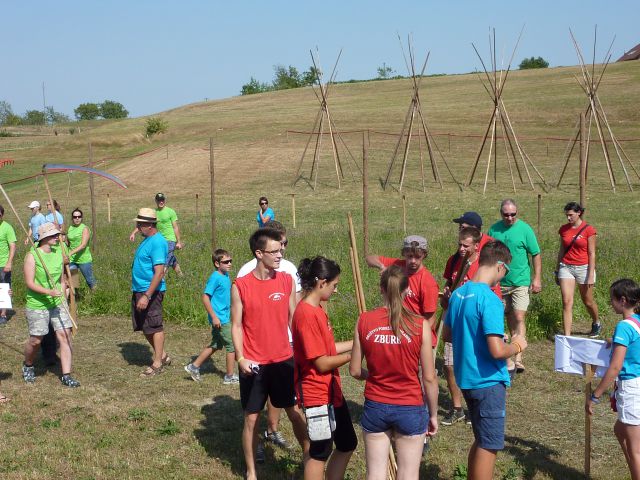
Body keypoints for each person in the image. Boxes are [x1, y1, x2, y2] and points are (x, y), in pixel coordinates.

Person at [443, 240, 527, 480]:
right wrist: (518, 344)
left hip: (466, 378)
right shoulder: (489, 299)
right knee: (489, 445)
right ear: (500, 266)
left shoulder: (459, 294)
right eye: (507, 270)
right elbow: (497, 350)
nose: (505, 275)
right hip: (487, 381)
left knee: (481, 439)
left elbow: (447, 335)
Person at [231, 228, 308, 480]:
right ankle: (252, 471)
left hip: (283, 359)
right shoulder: (240, 285)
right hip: (254, 364)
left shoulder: (286, 280)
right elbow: (237, 325)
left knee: (294, 412)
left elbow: (295, 319)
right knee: (252, 419)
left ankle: (310, 457)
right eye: (274, 251)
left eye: (281, 249)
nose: (280, 254)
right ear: (259, 253)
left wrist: (303, 351)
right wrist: (241, 358)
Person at [350, 265, 438, 479]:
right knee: (408, 474)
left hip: (375, 405)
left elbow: (353, 370)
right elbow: (428, 377)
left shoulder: (364, 320)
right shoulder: (420, 325)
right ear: (407, 291)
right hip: (410, 406)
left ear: (381, 289)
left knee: (375, 474)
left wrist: (373, 377)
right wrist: (433, 414)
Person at [292, 256, 357, 480]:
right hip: (316, 393)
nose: (336, 290)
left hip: (331, 391)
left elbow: (328, 348)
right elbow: (321, 362)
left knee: (347, 442)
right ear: (321, 283)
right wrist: (353, 356)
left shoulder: (318, 309)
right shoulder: (306, 315)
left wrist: (359, 341)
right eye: (334, 285)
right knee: (319, 452)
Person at [440, 226, 502, 426]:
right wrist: (447, 296)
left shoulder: (483, 267)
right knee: (449, 365)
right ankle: (457, 408)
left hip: (476, 324)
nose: (461, 249)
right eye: (459, 244)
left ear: (477, 246)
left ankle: (475, 406)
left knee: (474, 364)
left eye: (466, 245)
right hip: (456, 319)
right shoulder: (454, 261)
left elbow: (492, 297)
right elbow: (448, 287)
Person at [587, 279, 640, 480]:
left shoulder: (624, 327)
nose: (610, 303)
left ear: (623, 300)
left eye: (612, 299)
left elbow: (615, 367)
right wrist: (613, 341)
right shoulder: (637, 322)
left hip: (631, 389)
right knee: (619, 430)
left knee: (635, 451)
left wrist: (595, 395)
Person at [22, 223, 79, 387]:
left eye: (58, 234)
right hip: (38, 303)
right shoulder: (32, 256)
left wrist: (63, 292)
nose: (58, 237)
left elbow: (62, 278)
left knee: (65, 336)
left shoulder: (59, 252)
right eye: (55, 235)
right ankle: (28, 365)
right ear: (44, 238)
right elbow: (29, 283)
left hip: (57, 302)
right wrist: (49, 292)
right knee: (36, 340)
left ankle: (66, 375)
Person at [488, 199, 541, 373]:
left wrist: (536, 278)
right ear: (500, 213)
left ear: (517, 213)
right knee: (503, 317)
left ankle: (518, 357)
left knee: (518, 316)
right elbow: (486, 254)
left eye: (513, 214)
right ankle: (507, 354)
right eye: (506, 214)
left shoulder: (525, 229)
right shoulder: (494, 229)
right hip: (499, 283)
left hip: (520, 281)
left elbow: (535, 253)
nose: (510, 217)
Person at [365, 235, 439, 348]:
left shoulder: (428, 282)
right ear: (404, 253)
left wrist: (415, 339)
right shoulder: (398, 265)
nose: (413, 261)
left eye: (417, 257)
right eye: (409, 256)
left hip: (418, 337)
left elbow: (430, 320)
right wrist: (382, 267)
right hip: (399, 333)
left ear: (424, 255)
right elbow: (369, 259)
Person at [185, 249, 237, 384]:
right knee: (231, 345)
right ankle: (229, 376)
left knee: (216, 344)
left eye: (230, 261)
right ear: (217, 263)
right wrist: (214, 317)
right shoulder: (215, 277)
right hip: (220, 319)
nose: (229, 263)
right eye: (226, 262)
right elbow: (205, 297)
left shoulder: (225, 276)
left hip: (224, 316)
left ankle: (193, 366)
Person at [131, 208, 170, 377]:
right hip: (140, 289)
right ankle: (162, 355)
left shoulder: (157, 242)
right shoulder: (147, 239)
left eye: (141, 223)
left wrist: (147, 295)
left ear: (150, 225)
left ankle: (157, 363)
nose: (138, 226)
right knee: (146, 327)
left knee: (154, 326)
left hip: (150, 292)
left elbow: (159, 272)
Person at [555, 201, 600, 336]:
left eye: (571, 215)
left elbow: (592, 253)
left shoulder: (589, 230)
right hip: (566, 267)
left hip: (584, 268)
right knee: (567, 301)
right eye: (566, 215)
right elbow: (561, 250)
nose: (568, 218)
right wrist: (557, 269)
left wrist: (591, 274)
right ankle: (567, 336)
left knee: (587, 301)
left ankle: (596, 321)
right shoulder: (563, 229)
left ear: (579, 213)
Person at [130, 193, 183, 276]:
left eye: (162, 200)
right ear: (156, 201)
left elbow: (175, 227)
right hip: (160, 240)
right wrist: (133, 233)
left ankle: (161, 279)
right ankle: (181, 277)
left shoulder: (170, 211)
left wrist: (178, 242)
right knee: (171, 259)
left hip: (170, 239)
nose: (161, 202)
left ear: (165, 200)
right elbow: (144, 224)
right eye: (159, 200)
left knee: (165, 261)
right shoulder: (154, 213)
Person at [67, 208, 97, 290]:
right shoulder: (70, 228)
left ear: (81, 217)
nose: (77, 218)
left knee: (90, 280)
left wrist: (70, 253)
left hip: (84, 259)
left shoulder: (85, 228)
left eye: (79, 216)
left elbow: (83, 245)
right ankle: (75, 298)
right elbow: (69, 242)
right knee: (73, 281)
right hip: (72, 260)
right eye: (75, 217)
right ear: (72, 218)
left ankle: (97, 295)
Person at [0, 204, 16, 325]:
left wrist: (9, 262)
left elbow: (12, 246)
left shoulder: (7, 227)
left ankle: (3, 314)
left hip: (3, 264)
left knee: (4, 288)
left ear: (2, 215)